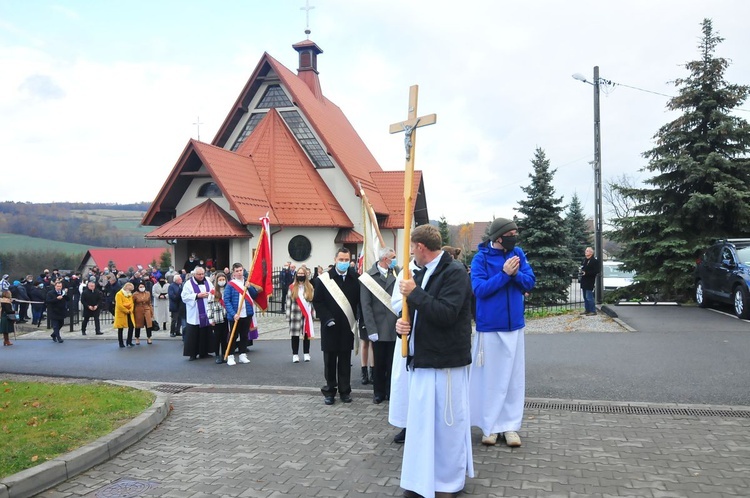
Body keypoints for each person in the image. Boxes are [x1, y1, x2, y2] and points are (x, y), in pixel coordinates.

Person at [395, 224, 474, 498]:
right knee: (421, 428)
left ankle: (447, 483)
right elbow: (420, 314)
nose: (410, 255)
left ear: (420, 248)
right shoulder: (422, 272)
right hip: (423, 361)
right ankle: (421, 480)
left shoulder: (454, 273)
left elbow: (446, 314)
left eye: (411, 249)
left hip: (446, 363)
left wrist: (414, 293)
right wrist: (403, 328)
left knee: (446, 428)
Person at [469, 217, 536, 449]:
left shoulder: (518, 253)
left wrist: (515, 274)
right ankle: (490, 426)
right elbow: (479, 289)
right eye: (511, 233)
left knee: (513, 380)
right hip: (490, 329)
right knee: (491, 380)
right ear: (498, 237)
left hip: (514, 327)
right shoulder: (481, 258)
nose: (515, 236)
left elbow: (529, 281)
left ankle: (510, 427)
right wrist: (504, 274)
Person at [313, 247, 360, 405]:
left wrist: (358, 319)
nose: (344, 263)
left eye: (347, 260)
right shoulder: (324, 279)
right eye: (341, 260)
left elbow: (359, 302)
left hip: (348, 326)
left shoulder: (355, 278)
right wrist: (327, 318)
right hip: (330, 327)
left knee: (345, 361)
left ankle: (345, 391)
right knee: (330, 361)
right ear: (335, 260)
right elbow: (318, 302)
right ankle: (330, 391)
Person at [359, 246, 399, 404]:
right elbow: (366, 306)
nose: (395, 260)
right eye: (393, 257)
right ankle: (378, 392)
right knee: (379, 362)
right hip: (379, 327)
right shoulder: (368, 277)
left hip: (394, 325)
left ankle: (390, 391)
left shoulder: (396, 273)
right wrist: (371, 329)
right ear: (384, 259)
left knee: (392, 363)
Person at [223, 263, 260, 366]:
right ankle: (230, 356)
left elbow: (254, 295)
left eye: (241, 270)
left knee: (244, 335)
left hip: (246, 313)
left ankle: (242, 354)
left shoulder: (247, 282)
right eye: (237, 271)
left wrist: (249, 287)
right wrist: (233, 313)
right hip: (235, 315)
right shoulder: (230, 285)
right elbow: (227, 300)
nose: (239, 273)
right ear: (233, 273)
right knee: (233, 336)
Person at [181, 267, 215, 360]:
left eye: (202, 274)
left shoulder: (208, 281)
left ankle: (204, 352)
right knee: (193, 334)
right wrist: (197, 295)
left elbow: (213, 291)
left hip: (206, 311)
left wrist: (210, 294)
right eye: (199, 274)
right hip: (195, 313)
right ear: (194, 274)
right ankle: (193, 353)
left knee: (205, 333)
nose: (201, 276)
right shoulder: (188, 284)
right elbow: (184, 297)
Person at [286, 266, 315, 363]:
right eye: (299, 274)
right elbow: (288, 302)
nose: (300, 275)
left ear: (305, 275)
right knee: (295, 335)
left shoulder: (310, 287)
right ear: (296, 275)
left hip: (306, 315)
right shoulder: (292, 287)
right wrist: (288, 316)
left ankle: (306, 353)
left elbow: (312, 302)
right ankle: (295, 354)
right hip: (295, 314)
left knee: (306, 334)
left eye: (302, 274)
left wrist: (313, 315)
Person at [208, 272, 229, 364]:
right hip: (217, 318)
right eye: (220, 280)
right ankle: (217, 355)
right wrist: (211, 319)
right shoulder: (213, 291)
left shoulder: (228, 289)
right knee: (217, 338)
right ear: (217, 281)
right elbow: (209, 306)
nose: (222, 281)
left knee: (225, 337)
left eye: (223, 279)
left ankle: (225, 354)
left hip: (226, 317)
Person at [580, 246, 600, 316]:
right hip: (584, 280)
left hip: (589, 281)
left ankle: (593, 310)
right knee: (585, 297)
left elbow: (596, 271)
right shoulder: (585, 260)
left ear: (591, 252)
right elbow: (583, 268)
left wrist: (587, 273)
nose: (586, 252)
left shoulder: (594, 261)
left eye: (587, 251)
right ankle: (587, 309)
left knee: (589, 297)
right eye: (586, 251)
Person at [114, 282, 135, 348]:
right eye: (130, 289)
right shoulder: (119, 294)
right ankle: (121, 342)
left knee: (131, 326)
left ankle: (129, 341)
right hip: (122, 313)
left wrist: (130, 310)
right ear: (126, 288)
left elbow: (132, 303)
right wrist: (126, 310)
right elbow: (119, 305)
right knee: (120, 328)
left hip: (129, 313)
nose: (130, 291)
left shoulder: (130, 295)